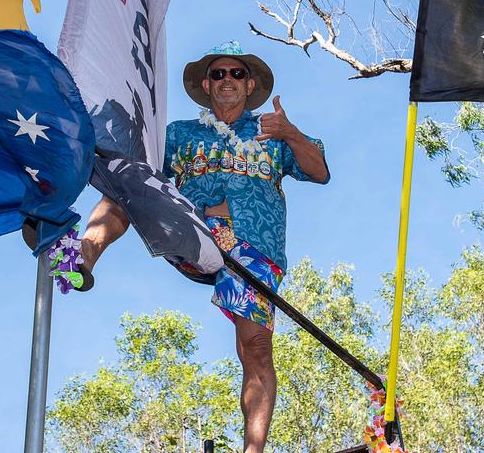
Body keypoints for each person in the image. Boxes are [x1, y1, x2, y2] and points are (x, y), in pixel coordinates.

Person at [76, 41, 330, 453]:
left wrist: (290, 132)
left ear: (249, 85)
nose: (226, 80)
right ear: (206, 86)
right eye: (218, 74)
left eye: (235, 74)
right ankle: (82, 254)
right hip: (195, 230)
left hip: (254, 248)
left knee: (257, 345)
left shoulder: (272, 132)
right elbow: (142, 169)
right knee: (130, 181)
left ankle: (254, 450)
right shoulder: (179, 133)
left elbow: (319, 171)